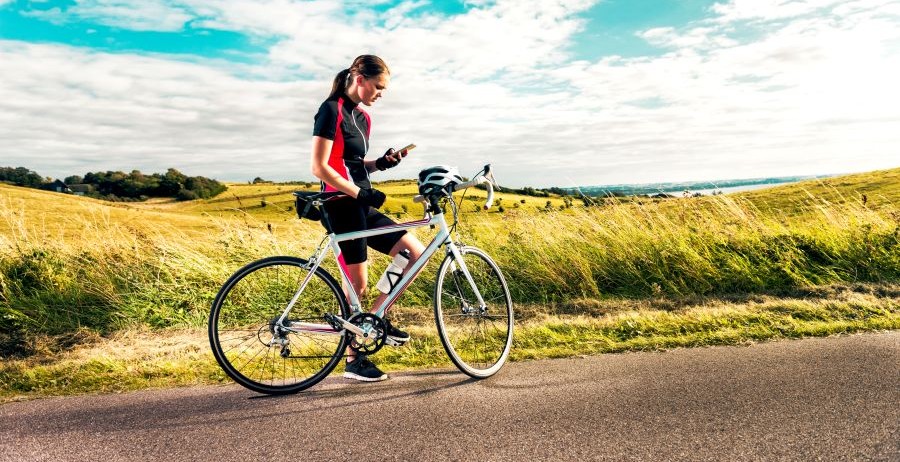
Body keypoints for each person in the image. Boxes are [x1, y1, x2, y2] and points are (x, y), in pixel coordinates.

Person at [310, 55, 425, 382]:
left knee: (413, 254)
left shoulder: (363, 117)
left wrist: (382, 164)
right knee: (356, 284)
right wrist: (359, 194)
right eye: (378, 87)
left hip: (360, 205)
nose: (380, 94)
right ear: (359, 78)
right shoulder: (330, 110)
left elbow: (354, 164)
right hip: (341, 205)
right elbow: (320, 167)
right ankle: (353, 359)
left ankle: (374, 318)